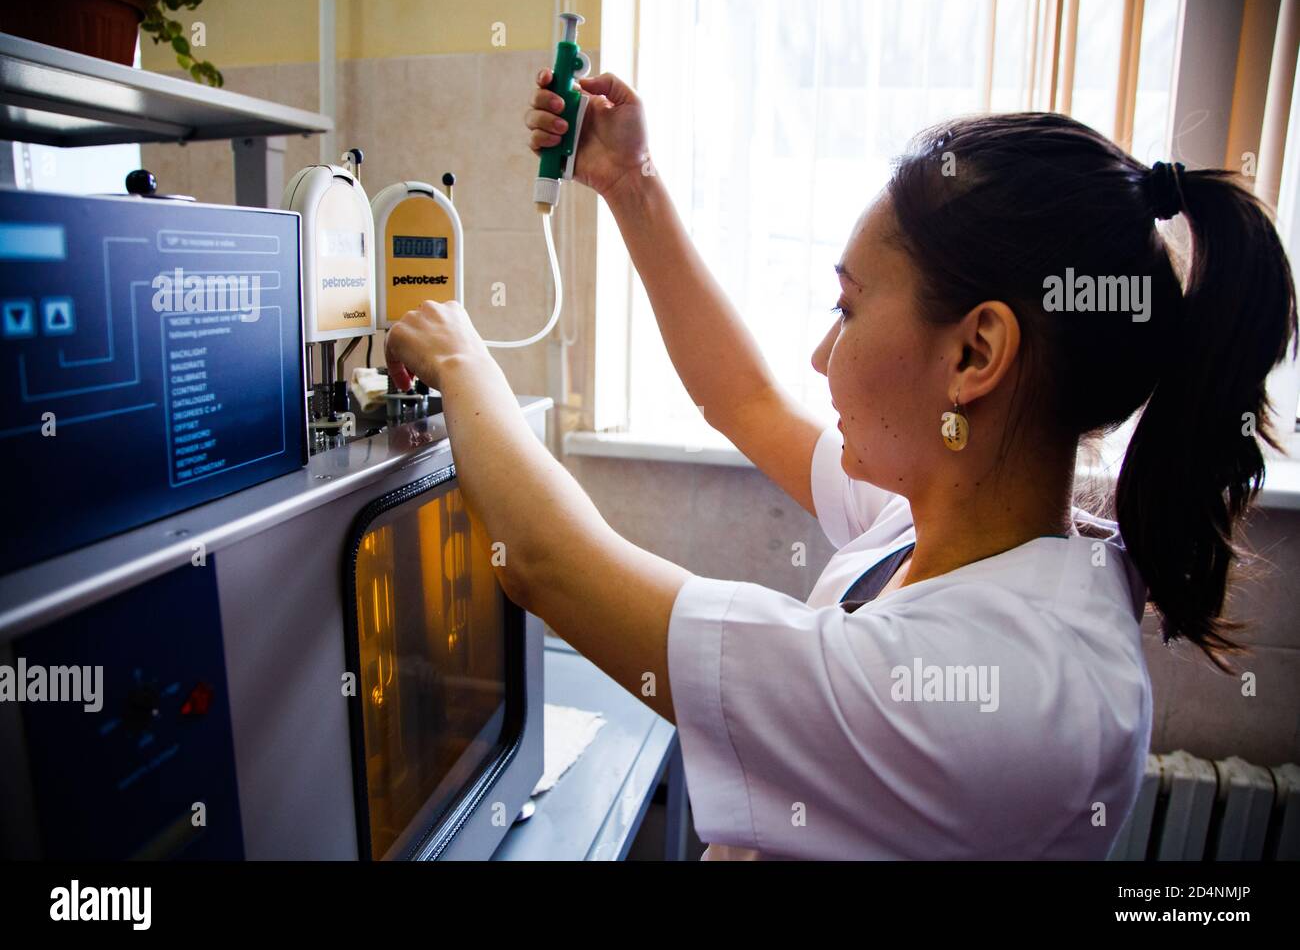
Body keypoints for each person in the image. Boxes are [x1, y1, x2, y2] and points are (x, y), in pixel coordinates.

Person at [383, 69, 1297, 859]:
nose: (823, 354)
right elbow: (741, 401)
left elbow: (547, 563)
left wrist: (462, 358)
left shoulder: (1004, 691)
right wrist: (631, 180)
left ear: (975, 356)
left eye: (848, 307)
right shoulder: (949, 519)